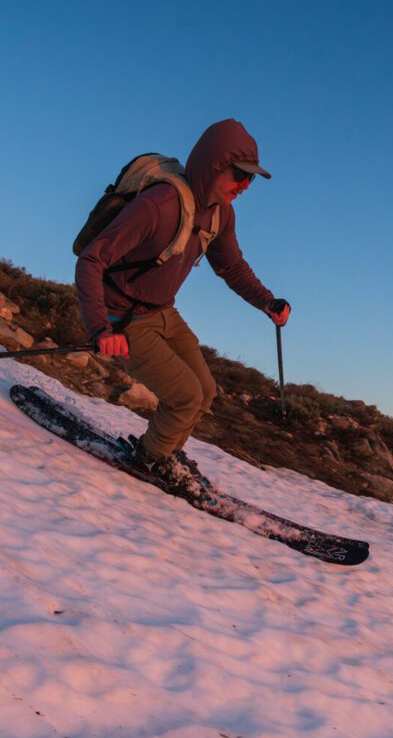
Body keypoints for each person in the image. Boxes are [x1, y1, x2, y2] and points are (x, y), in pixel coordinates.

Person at [75, 118, 290, 477]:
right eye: (240, 174)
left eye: (251, 178)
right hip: (123, 317)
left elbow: (232, 267)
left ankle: (166, 454)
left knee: (205, 392)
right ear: (214, 166)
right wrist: (100, 329)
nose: (245, 185)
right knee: (185, 396)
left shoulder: (221, 214)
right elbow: (91, 259)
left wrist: (268, 303)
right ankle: (148, 461)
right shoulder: (161, 204)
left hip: (163, 312)